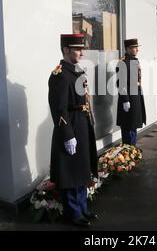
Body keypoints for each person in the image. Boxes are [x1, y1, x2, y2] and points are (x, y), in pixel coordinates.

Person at [48, 33, 98, 227]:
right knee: (71, 171)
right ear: (66, 50)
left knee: (81, 169)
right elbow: (58, 108)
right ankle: (74, 213)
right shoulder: (59, 75)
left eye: (82, 48)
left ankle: (83, 209)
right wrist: (68, 134)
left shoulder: (76, 72)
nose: (82, 52)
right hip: (70, 126)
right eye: (78, 49)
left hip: (82, 123)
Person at [116, 38, 146, 146]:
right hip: (128, 98)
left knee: (133, 125)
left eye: (137, 47)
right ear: (128, 49)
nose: (137, 50)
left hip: (135, 96)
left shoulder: (134, 60)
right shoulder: (122, 62)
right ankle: (128, 150)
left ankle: (132, 149)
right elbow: (120, 83)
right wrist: (125, 100)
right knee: (128, 125)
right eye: (134, 47)